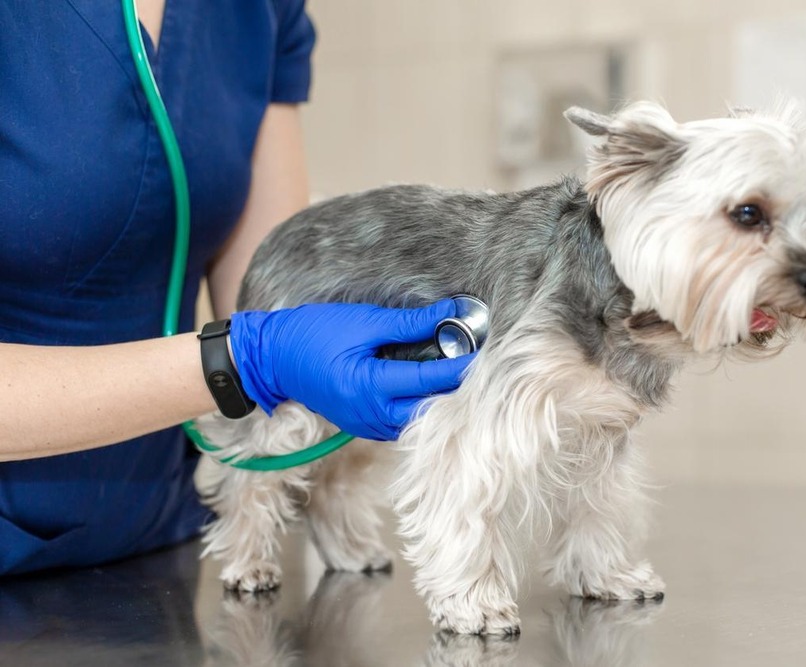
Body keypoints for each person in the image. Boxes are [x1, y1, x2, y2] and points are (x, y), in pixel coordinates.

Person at [0, 0, 472, 576]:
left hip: (159, 544)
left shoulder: (261, 11)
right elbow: (259, 344)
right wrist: (242, 359)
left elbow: (272, 279)